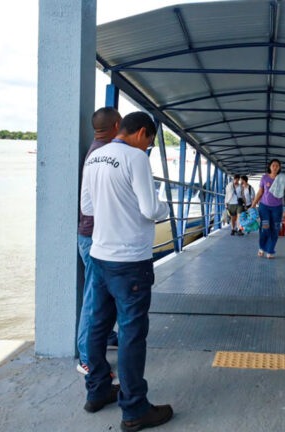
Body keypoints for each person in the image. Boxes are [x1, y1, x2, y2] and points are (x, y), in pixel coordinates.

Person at [80, 111, 174, 430]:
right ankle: (134, 409)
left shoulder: (95, 157)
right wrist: (164, 207)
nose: (147, 148)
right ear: (143, 133)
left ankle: (97, 391)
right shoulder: (136, 158)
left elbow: (87, 208)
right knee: (132, 333)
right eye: (149, 142)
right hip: (130, 260)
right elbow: (150, 209)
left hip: (100, 255)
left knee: (98, 325)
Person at [76, 107, 122, 376]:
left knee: (101, 295)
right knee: (93, 299)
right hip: (94, 236)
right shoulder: (102, 154)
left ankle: (102, 337)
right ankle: (87, 357)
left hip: (91, 234)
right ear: (116, 125)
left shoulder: (96, 151)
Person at [249, 159, 284, 259]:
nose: (275, 167)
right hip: (264, 207)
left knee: (275, 229)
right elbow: (260, 192)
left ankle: (270, 250)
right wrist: (253, 204)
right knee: (265, 228)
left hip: (277, 208)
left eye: (277, 165)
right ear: (270, 167)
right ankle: (261, 247)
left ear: (279, 168)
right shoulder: (264, 178)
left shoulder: (282, 179)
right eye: (273, 165)